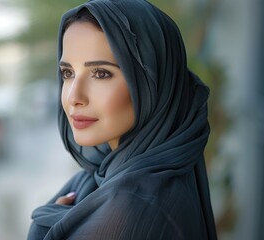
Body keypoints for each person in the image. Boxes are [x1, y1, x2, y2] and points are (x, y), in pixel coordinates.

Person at [28, 0, 217, 239]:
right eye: (68, 73)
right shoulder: (109, 178)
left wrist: (42, 229)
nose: (74, 96)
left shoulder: (133, 208)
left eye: (101, 73)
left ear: (152, 85)